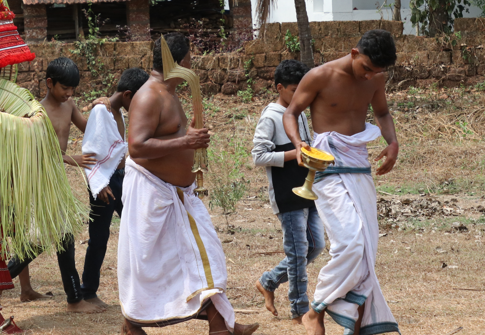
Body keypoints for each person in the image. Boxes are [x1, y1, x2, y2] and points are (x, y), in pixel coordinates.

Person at [118, 32, 258, 335]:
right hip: (153, 196)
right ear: (179, 61)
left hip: (177, 197)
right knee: (158, 268)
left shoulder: (169, 94)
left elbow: (170, 139)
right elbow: (137, 147)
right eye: (189, 59)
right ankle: (136, 324)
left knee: (200, 261)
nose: (192, 64)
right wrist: (186, 139)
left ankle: (221, 323)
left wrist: (190, 139)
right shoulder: (149, 95)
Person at [282, 29, 400, 335]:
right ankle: (316, 309)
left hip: (358, 162)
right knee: (349, 241)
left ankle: (355, 318)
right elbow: (292, 113)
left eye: (377, 72)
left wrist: (393, 142)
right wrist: (298, 145)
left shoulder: (376, 79)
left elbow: (382, 112)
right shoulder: (320, 76)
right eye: (367, 68)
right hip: (324, 164)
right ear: (353, 53)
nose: (370, 76)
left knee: (366, 247)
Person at [6, 57, 105, 313]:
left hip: (57, 181)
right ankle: (2, 279)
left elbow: (89, 129)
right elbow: (38, 155)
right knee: (53, 238)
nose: (69, 93)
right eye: (64, 88)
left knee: (62, 237)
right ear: (50, 83)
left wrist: (103, 108)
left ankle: (72, 299)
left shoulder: (69, 105)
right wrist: (74, 160)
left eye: (72, 89)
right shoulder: (36, 113)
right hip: (40, 181)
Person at [252, 60, 325, 324]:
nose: (300, 95)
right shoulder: (270, 116)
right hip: (287, 193)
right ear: (280, 88)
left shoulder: (300, 113)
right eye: (295, 90)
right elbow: (258, 155)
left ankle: (268, 282)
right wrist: (296, 154)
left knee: (315, 246)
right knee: (298, 251)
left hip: (308, 190)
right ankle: (299, 310)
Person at [80, 68, 150, 308]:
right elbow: (90, 152)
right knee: (98, 238)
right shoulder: (102, 111)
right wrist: (99, 184)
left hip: (122, 178)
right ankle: (88, 292)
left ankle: (144, 287)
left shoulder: (116, 110)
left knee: (138, 230)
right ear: (129, 95)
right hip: (105, 184)